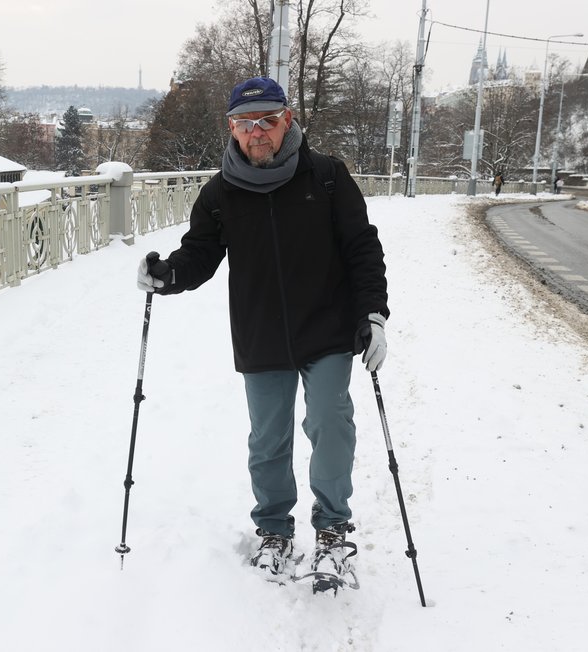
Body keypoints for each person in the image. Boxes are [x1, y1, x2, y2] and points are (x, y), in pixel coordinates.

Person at [135, 77, 389, 588]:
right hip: (261, 330)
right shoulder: (220, 192)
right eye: (245, 124)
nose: (257, 133)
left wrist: (374, 315)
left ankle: (333, 528)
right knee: (268, 439)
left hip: (327, 327)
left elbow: (362, 248)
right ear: (231, 129)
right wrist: (168, 275)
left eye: (267, 121)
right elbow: (201, 254)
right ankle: (273, 530)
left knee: (329, 421)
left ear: (287, 120)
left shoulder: (328, 178)